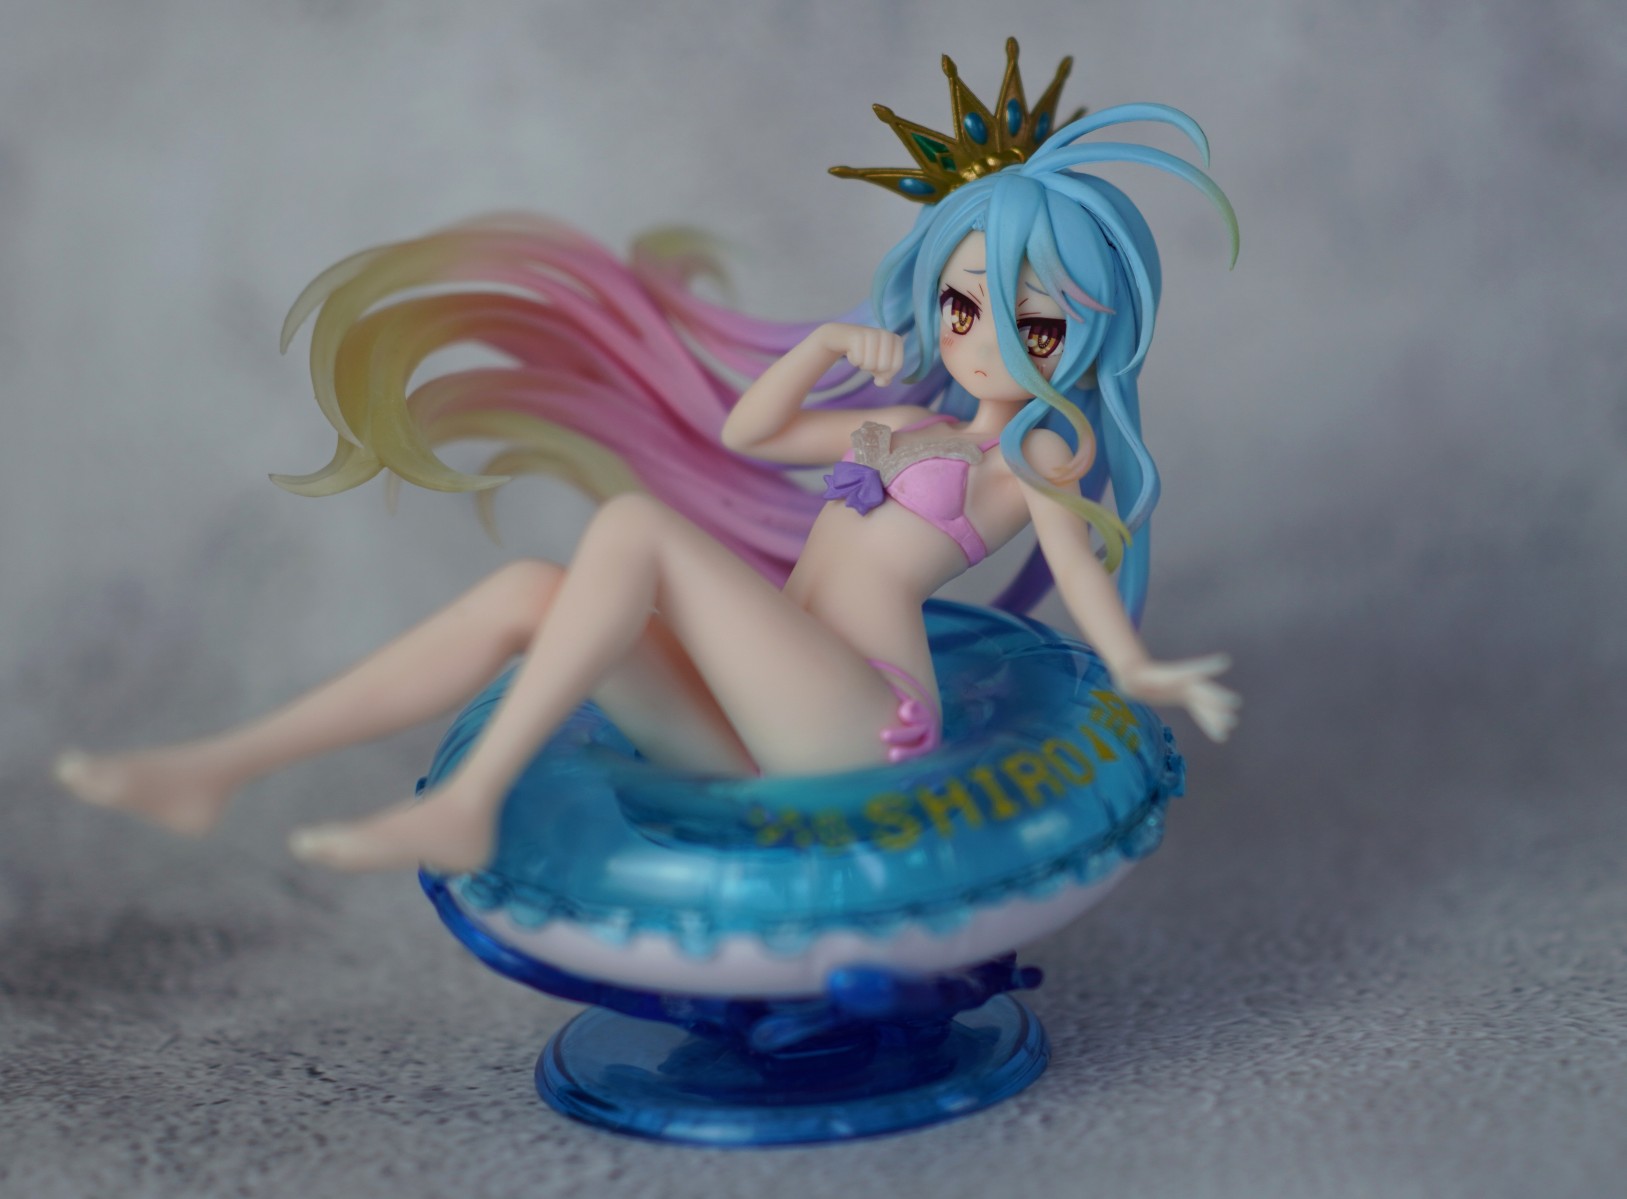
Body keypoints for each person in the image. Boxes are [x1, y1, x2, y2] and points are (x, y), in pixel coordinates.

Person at [55, 40, 1240, 874]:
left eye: (1037, 328)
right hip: (769, 707)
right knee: (530, 591)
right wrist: (824, 346)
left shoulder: (1035, 460)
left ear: (1093, 334)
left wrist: (1146, 671)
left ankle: (469, 801)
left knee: (633, 529)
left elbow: (1082, 578)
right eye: (964, 307)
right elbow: (751, 434)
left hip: (861, 724)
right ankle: (219, 763)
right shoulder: (907, 427)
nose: (985, 344)